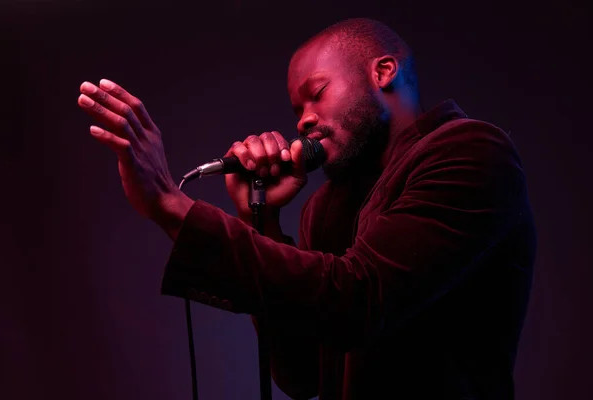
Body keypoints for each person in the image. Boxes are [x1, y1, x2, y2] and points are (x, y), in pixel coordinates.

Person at [77, 18, 535, 400]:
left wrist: (172, 206)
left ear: (384, 71)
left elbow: (359, 300)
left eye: (317, 93)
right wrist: (263, 223)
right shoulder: (328, 206)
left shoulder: (471, 151)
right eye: (297, 108)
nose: (303, 120)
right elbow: (301, 374)